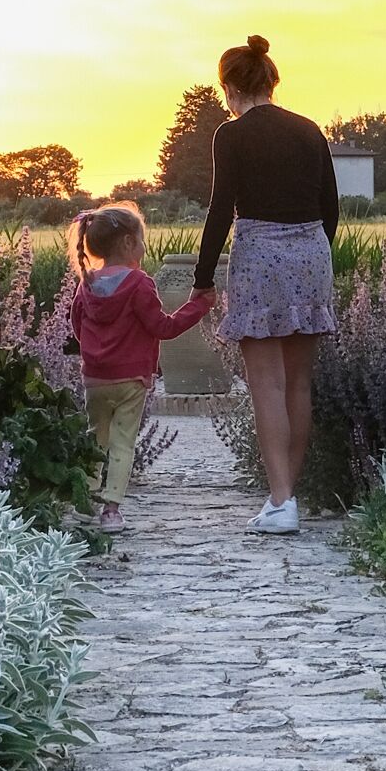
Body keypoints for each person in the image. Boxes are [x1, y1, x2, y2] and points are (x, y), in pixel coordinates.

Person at [193, 36, 337, 534]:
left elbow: (220, 210)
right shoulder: (309, 130)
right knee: (298, 383)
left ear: (230, 87)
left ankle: (281, 501)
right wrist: (310, 255)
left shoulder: (230, 135)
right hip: (311, 255)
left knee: (267, 386)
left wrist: (203, 278)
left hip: (259, 258)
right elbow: (331, 208)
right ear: (272, 81)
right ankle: (285, 497)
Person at [68, 203, 213, 532]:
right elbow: (163, 327)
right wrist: (199, 307)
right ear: (128, 243)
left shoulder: (86, 284)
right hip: (131, 379)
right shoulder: (139, 283)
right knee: (122, 443)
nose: (144, 247)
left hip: (95, 379)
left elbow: (77, 326)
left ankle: (85, 502)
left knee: (96, 439)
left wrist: (96, 351)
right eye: (142, 240)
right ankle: (111, 510)